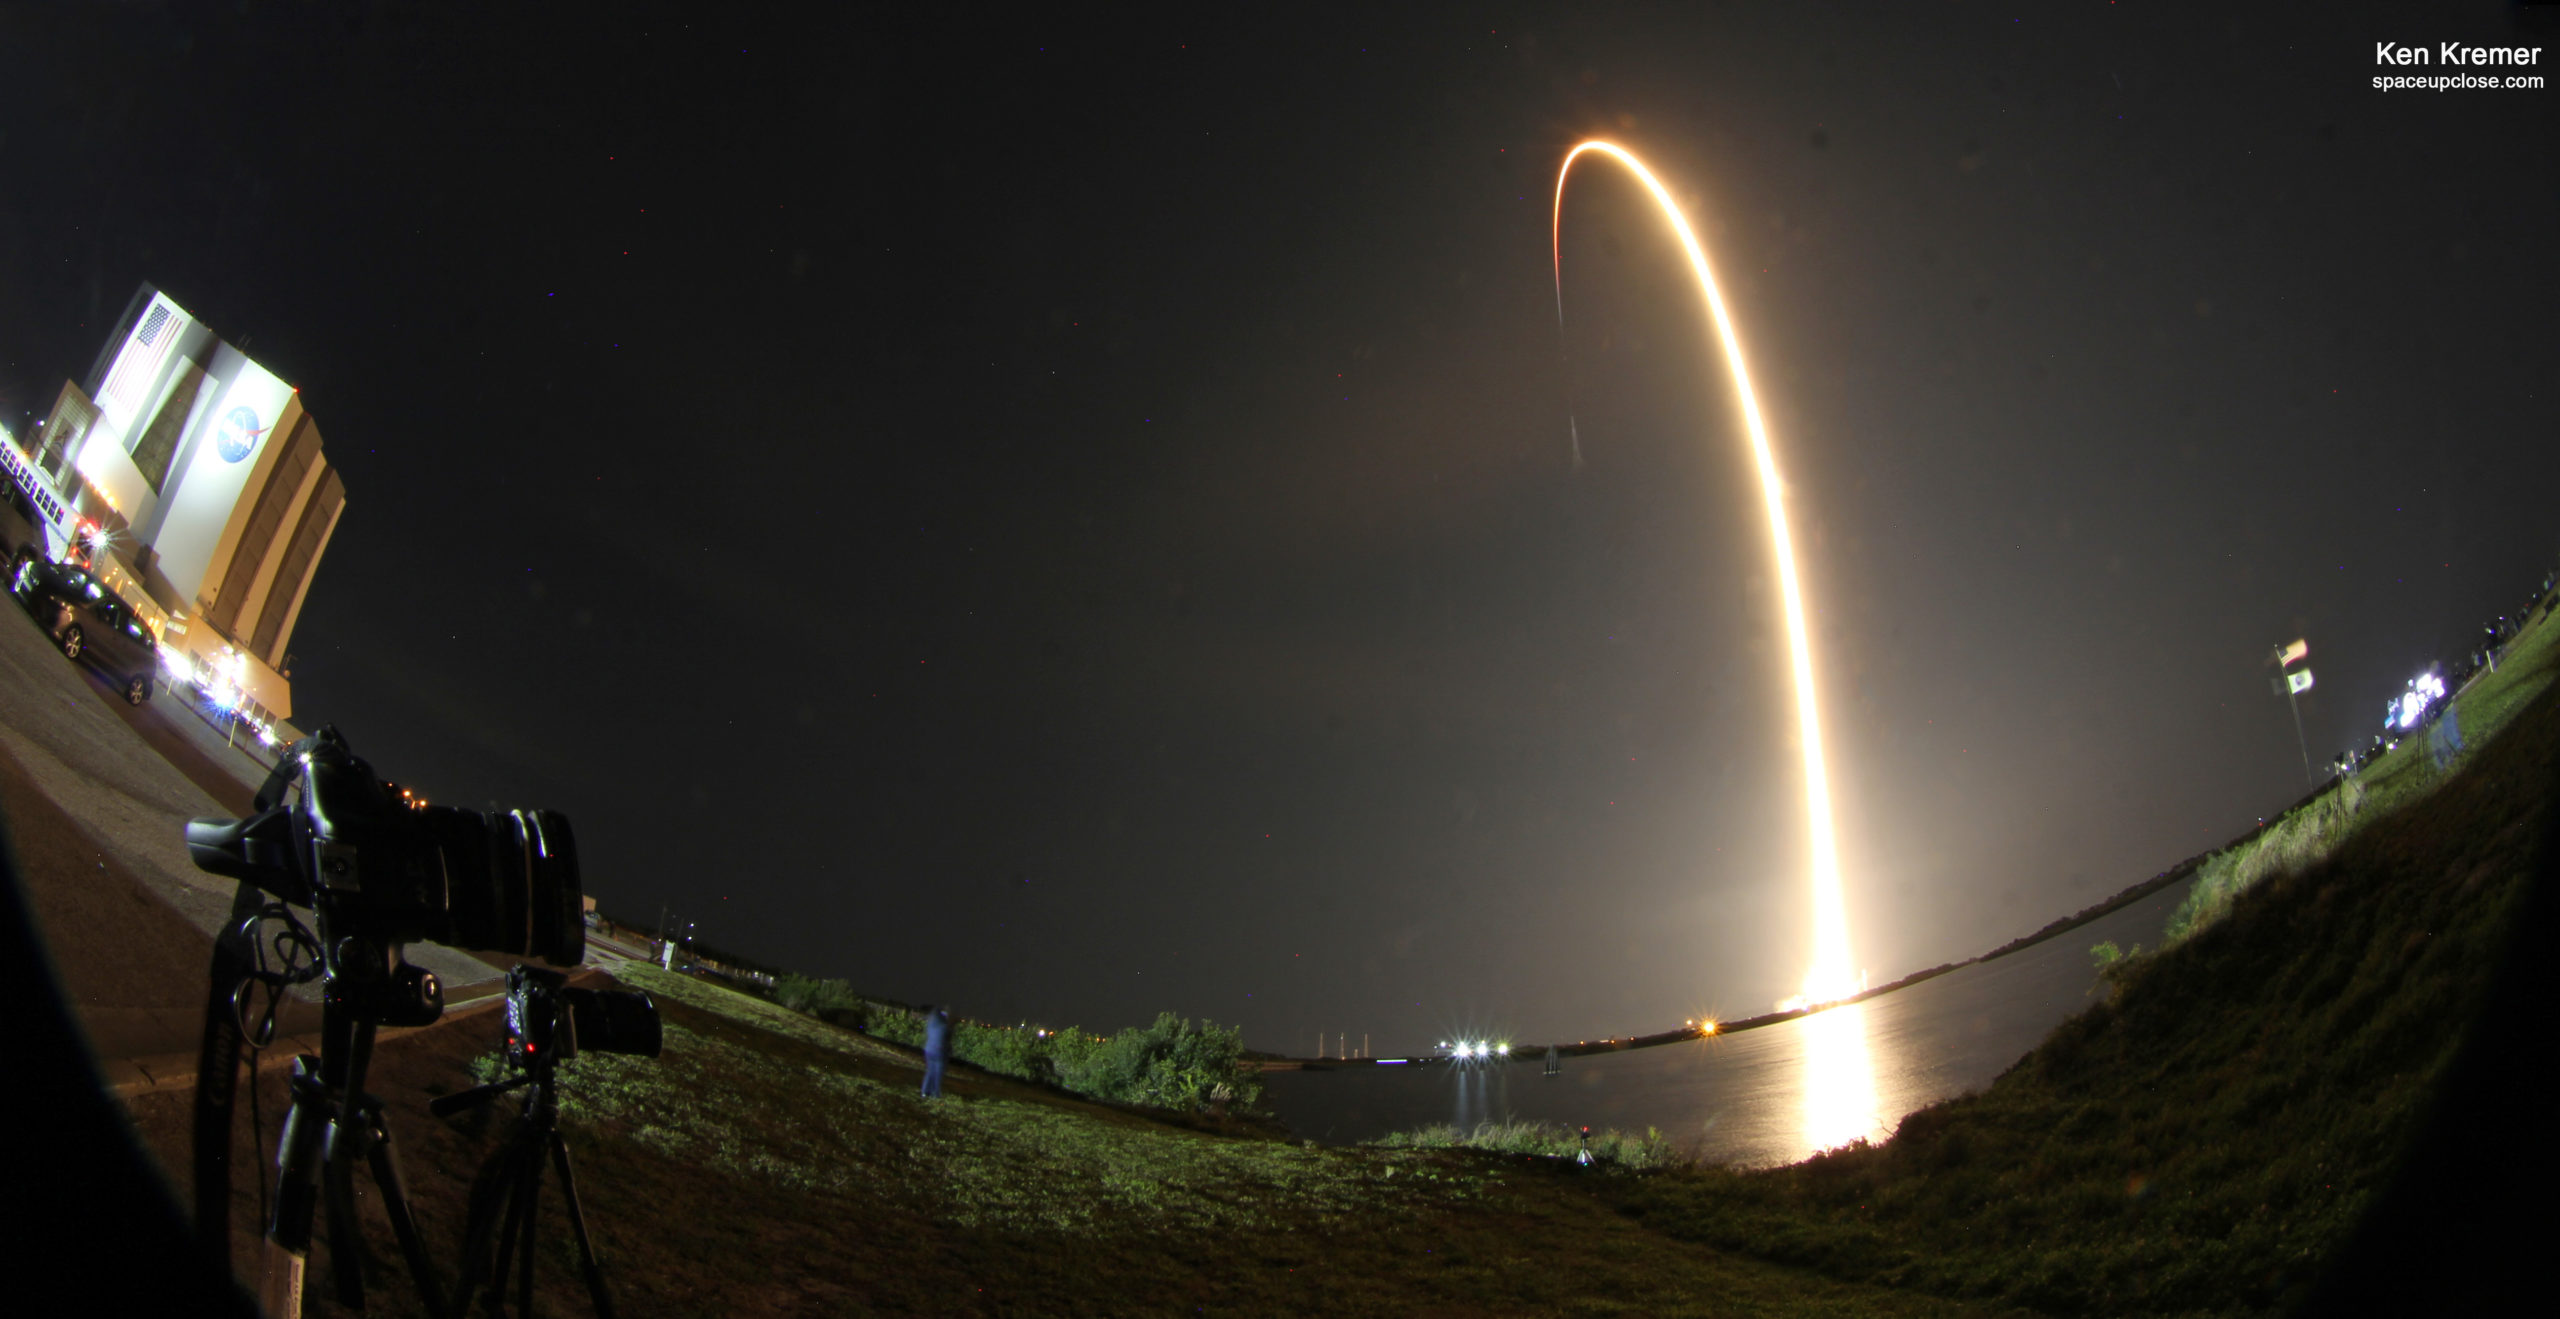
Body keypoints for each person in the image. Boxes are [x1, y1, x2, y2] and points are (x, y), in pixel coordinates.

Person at [921, 1005, 952, 1099]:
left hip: (928, 1050)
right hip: (940, 1051)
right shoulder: (945, 1027)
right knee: (938, 1073)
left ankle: (925, 1092)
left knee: (930, 1071)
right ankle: (935, 1094)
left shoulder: (930, 1025)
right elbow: (947, 1040)